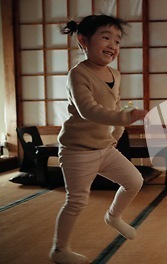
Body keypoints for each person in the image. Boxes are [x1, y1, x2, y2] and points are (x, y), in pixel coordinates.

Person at [50, 15, 148, 264]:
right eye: (105, 37)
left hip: (104, 148)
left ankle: (113, 217)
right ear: (83, 40)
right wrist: (127, 116)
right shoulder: (78, 74)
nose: (112, 45)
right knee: (77, 201)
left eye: (117, 40)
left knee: (134, 180)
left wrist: (117, 134)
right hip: (77, 150)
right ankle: (60, 250)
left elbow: (113, 107)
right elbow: (88, 110)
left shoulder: (115, 74)